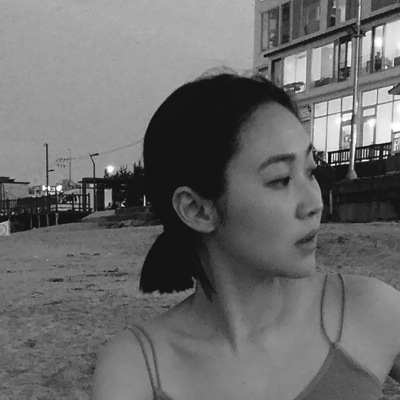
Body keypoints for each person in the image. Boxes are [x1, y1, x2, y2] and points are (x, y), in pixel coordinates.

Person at [93, 72, 400, 400]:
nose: (314, 203)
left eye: (310, 171)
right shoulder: (137, 368)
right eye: (280, 179)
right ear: (197, 210)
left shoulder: (367, 310)